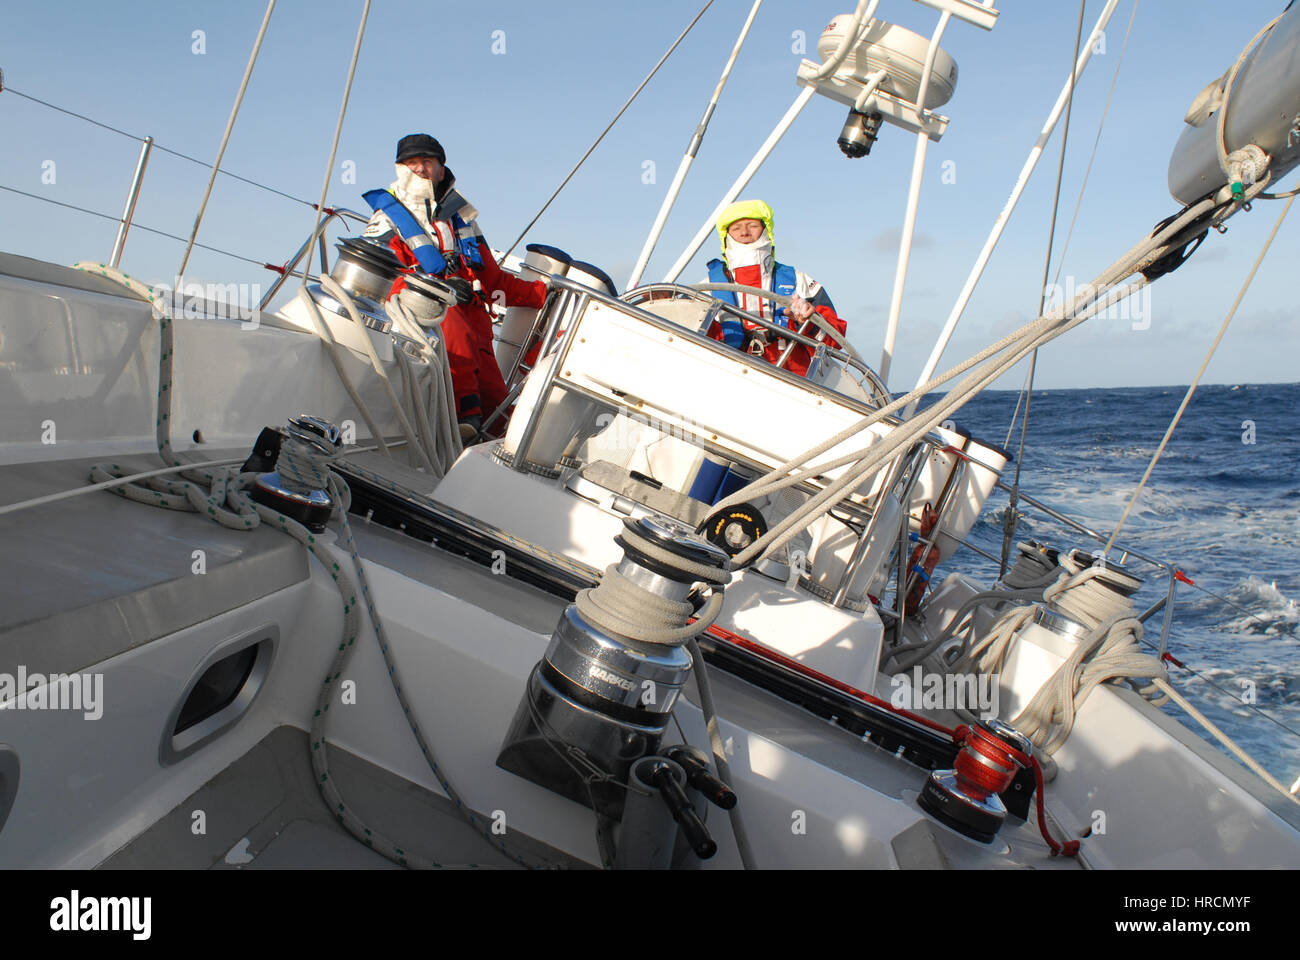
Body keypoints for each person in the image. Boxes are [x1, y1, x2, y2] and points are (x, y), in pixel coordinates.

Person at [361, 133, 546, 439]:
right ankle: (465, 417)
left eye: (427, 162)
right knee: (453, 328)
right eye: (411, 162)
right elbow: (383, 275)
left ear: (441, 169)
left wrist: (544, 294)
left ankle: (490, 459)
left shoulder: (463, 221)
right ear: (400, 168)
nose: (420, 168)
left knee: (498, 408)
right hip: (427, 317)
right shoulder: (387, 218)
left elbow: (494, 281)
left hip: (476, 326)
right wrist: (440, 289)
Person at [703, 198, 846, 377]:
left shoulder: (798, 280)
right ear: (726, 235)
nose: (744, 232)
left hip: (792, 379)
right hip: (729, 374)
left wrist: (808, 321)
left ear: (766, 229)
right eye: (736, 228)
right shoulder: (708, 286)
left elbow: (836, 337)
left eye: (752, 225)